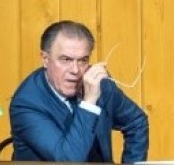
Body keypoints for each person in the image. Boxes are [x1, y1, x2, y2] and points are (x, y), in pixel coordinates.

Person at [10, 21, 149, 162]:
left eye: (83, 60)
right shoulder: (26, 103)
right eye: (65, 59)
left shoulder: (100, 84)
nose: (75, 70)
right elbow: (68, 160)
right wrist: (89, 103)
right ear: (45, 59)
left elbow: (136, 121)